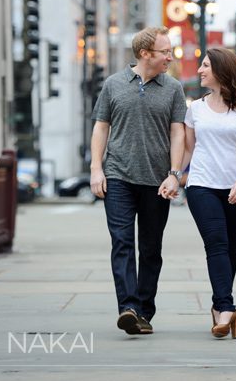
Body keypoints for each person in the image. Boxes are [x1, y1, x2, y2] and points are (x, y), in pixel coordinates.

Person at [90, 26, 186, 336]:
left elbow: (177, 132)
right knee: (122, 243)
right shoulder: (114, 84)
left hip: (157, 181)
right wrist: (96, 168)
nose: (170, 57)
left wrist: (174, 174)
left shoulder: (173, 88)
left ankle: (145, 311)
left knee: (151, 248)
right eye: (165, 52)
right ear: (145, 54)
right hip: (118, 176)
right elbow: (101, 127)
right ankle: (128, 308)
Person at [182, 47, 236, 339]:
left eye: (205, 66)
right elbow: (190, 148)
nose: (200, 70)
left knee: (229, 248)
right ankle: (227, 307)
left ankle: (219, 307)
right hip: (202, 186)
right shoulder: (195, 108)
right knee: (215, 243)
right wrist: (174, 175)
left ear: (221, 70)